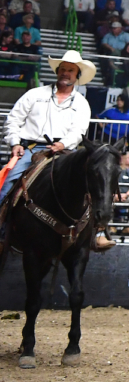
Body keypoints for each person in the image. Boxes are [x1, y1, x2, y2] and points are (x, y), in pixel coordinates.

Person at [1, 50, 115, 249]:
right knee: (7, 183)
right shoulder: (35, 94)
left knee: (92, 183)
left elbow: (79, 131)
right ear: (57, 72)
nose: (66, 73)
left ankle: (96, 233)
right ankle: (2, 233)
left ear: (77, 75)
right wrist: (15, 143)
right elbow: (13, 120)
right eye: (63, 69)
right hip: (32, 148)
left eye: (70, 70)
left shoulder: (81, 103)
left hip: (65, 151)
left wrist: (63, 144)